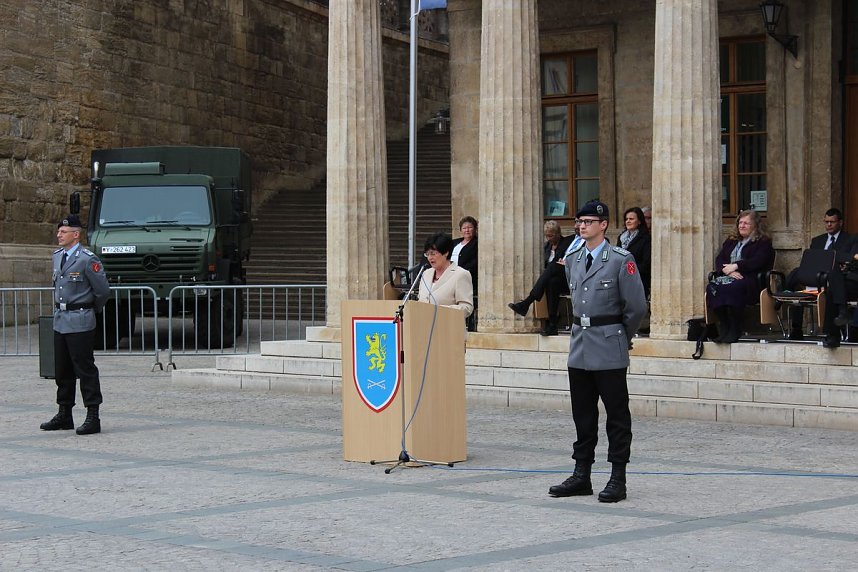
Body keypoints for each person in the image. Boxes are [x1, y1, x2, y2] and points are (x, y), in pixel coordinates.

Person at [548, 201, 648, 503]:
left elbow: (636, 307)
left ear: (604, 225)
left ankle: (618, 477)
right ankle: (582, 474)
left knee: (617, 414)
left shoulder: (620, 259)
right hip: (580, 344)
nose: (582, 226)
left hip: (609, 343)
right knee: (583, 414)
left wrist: (619, 335)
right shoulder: (574, 257)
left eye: (589, 221)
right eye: (580, 221)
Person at [40, 214, 111, 435]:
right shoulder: (57, 256)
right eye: (59, 231)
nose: (59, 235)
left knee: (85, 368)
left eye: (64, 231)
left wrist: (90, 309)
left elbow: (102, 291)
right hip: (61, 320)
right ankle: (65, 413)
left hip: (80, 319)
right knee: (62, 370)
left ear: (76, 234)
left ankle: (93, 415)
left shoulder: (87, 259)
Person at [705, 210, 775, 344]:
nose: (742, 226)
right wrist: (728, 271)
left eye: (746, 223)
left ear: (755, 225)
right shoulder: (731, 241)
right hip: (729, 276)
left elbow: (758, 261)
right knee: (712, 287)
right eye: (740, 223)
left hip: (750, 279)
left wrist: (736, 266)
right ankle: (724, 327)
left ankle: (735, 328)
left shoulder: (763, 242)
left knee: (733, 288)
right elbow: (720, 259)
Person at [784, 208, 851, 340]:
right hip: (815, 276)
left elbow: (846, 259)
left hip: (832, 278)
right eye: (826, 222)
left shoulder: (848, 240)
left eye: (832, 222)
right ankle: (786, 295)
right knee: (797, 274)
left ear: (840, 223)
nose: (829, 225)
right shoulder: (817, 241)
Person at [508, 220, 576, 336]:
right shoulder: (546, 247)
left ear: (558, 233)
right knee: (551, 282)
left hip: (567, 277)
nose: (549, 238)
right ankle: (552, 324)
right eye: (547, 236)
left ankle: (527, 302)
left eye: (551, 235)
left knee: (553, 266)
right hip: (553, 279)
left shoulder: (568, 242)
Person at [417, 232, 474, 318]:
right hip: (424, 326)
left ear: (446, 253)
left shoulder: (461, 274)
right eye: (427, 254)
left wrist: (441, 310)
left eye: (433, 253)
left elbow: (467, 308)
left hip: (447, 327)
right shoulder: (426, 273)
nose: (429, 258)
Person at [821, 239, 858, 348]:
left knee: (833, 290)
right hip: (851, 280)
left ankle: (833, 335)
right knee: (833, 276)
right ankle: (842, 312)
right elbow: (836, 255)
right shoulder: (854, 239)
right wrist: (853, 257)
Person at [618, 207, 652, 297]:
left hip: (637, 280)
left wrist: (628, 270)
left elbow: (646, 263)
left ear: (639, 221)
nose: (628, 221)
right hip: (620, 280)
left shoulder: (646, 239)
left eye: (631, 219)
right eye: (626, 219)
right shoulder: (621, 238)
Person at [450, 216, 478, 291]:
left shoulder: (477, 243)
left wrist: (459, 272)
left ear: (475, 229)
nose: (467, 230)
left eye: (470, 227)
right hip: (449, 274)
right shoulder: (454, 242)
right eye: (464, 228)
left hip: (463, 276)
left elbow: (474, 262)